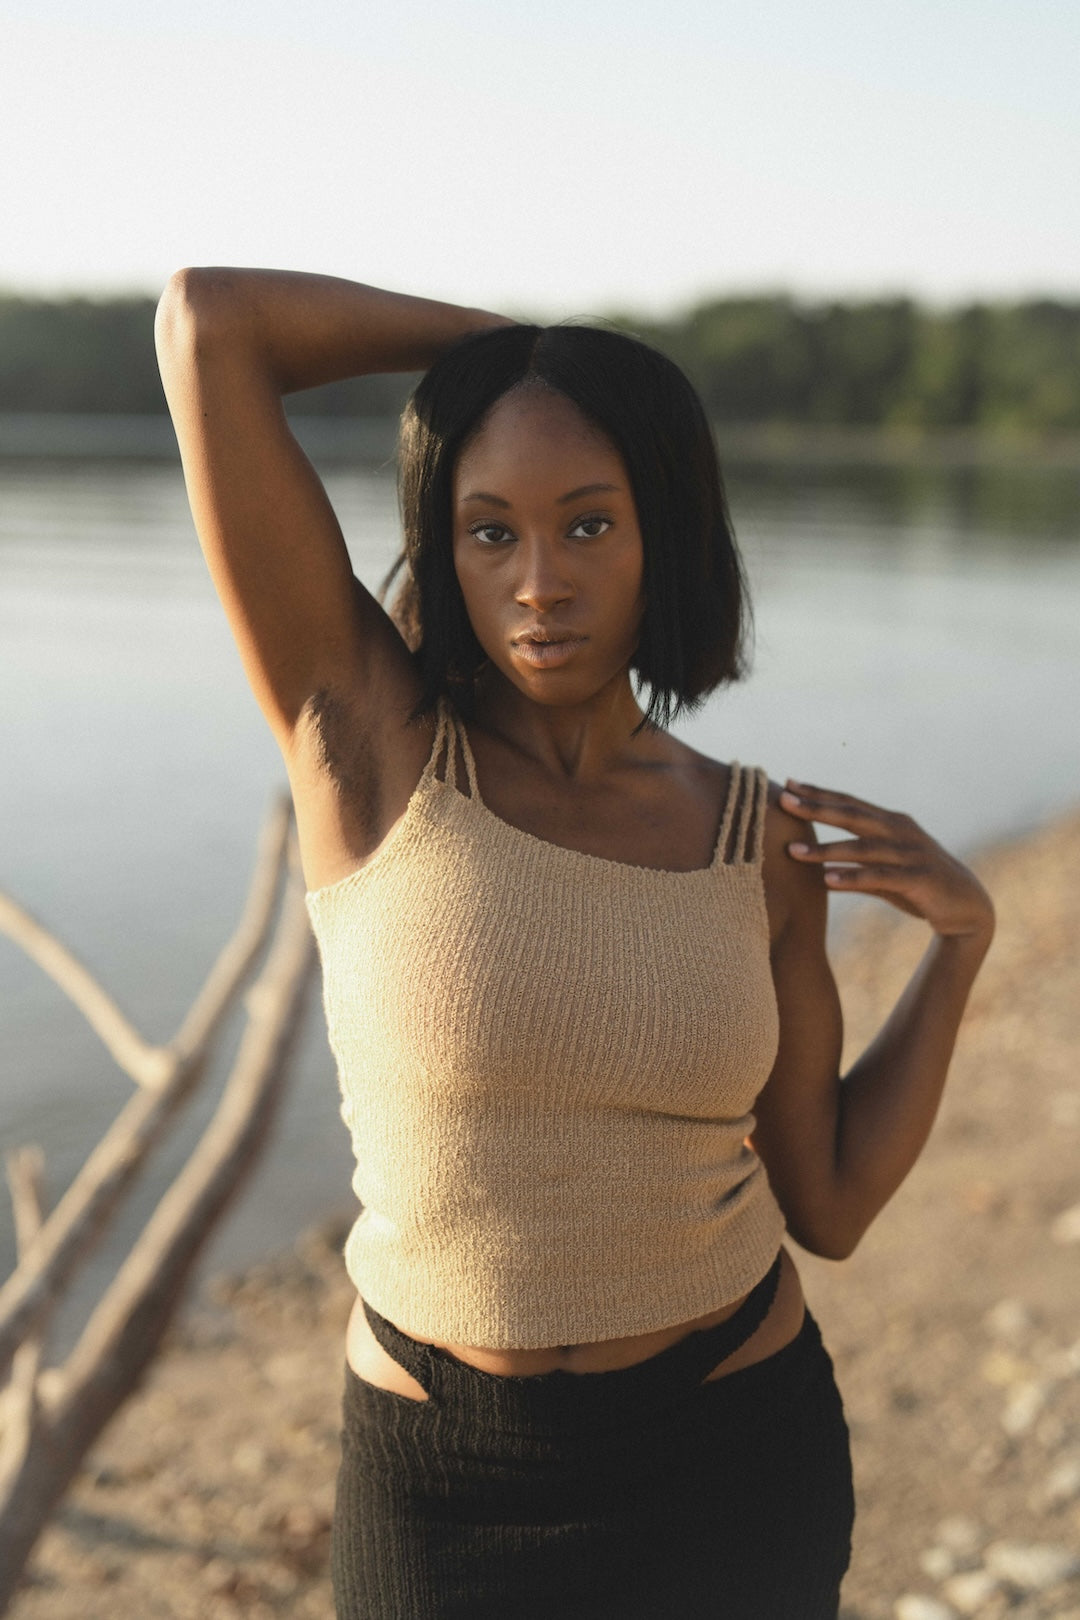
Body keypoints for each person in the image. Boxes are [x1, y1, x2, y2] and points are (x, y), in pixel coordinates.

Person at [155, 269, 995, 1620]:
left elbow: (828, 1202)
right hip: (443, 1483)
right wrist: (525, 350)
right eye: (490, 534)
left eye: (588, 523)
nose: (539, 583)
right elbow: (210, 326)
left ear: (663, 531)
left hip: (732, 1446)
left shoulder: (756, 840)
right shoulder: (370, 752)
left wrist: (960, 948)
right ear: (447, 546)